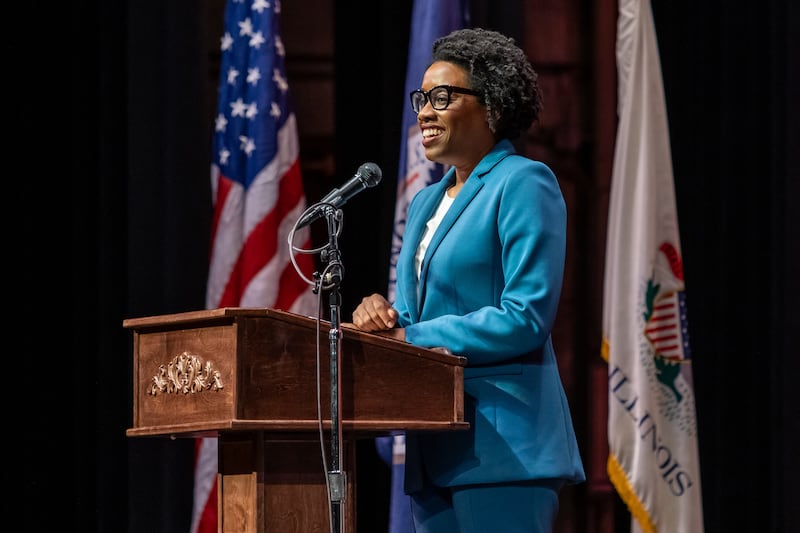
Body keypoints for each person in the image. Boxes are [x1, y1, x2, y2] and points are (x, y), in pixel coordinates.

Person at [348, 28, 585, 532]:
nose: (425, 112)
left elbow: (525, 317)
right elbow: (414, 317)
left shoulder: (522, 181)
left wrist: (409, 336)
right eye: (422, 98)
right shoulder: (425, 204)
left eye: (442, 97)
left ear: (492, 106)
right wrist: (380, 315)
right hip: (434, 448)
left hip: (504, 447)